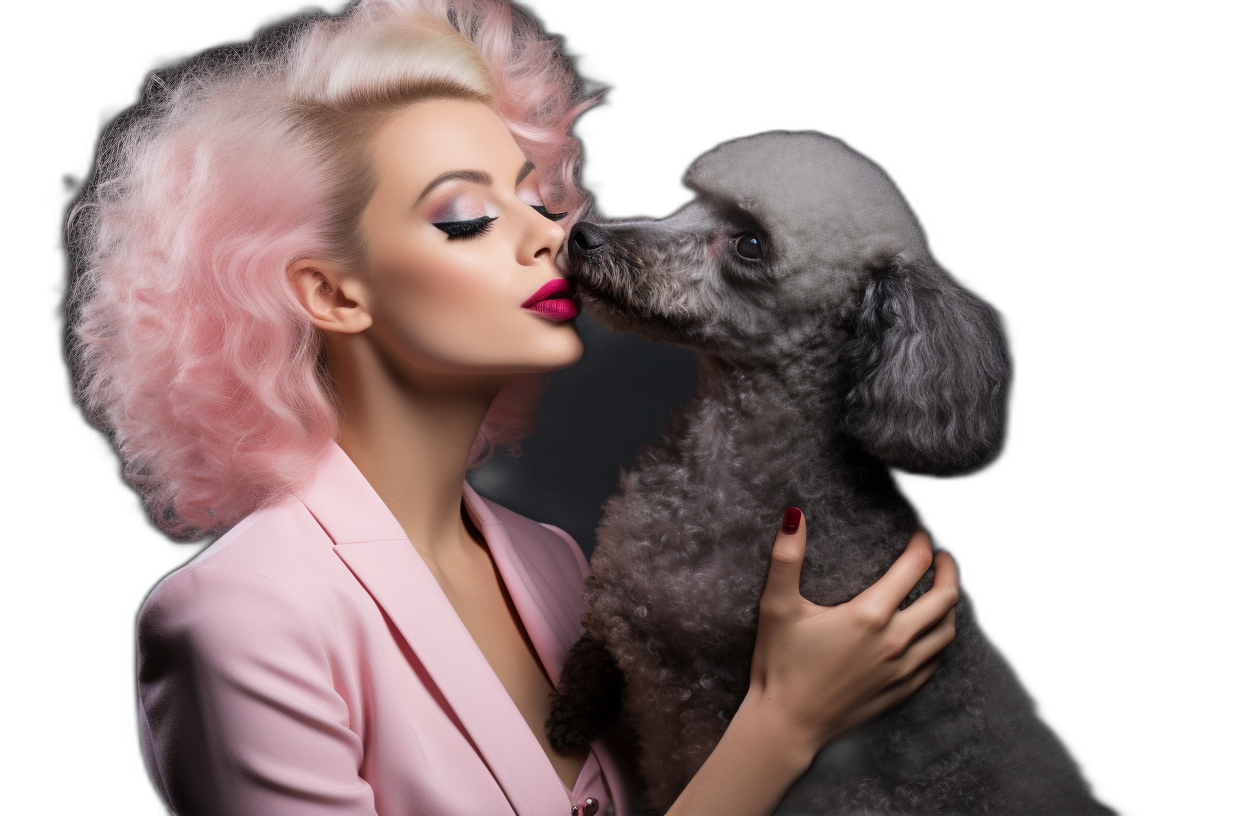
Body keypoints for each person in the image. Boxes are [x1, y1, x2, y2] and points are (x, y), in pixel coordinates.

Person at [64, 1, 960, 814]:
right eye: (464, 217)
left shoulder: (556, 566)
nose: (551, 233)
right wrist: (780, 726)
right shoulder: (242, 620)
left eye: (535, 197)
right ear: (332, 294)